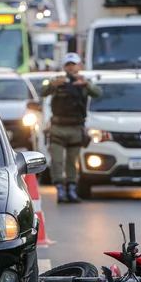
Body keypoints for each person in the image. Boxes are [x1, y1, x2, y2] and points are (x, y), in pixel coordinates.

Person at [40, 52, 102, 203]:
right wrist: (52, 84)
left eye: (73, 64)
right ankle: (60, 189)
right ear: (64, 67)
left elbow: (98, 93)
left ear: (79, 66)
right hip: (58, 128)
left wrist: (86, 84)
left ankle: (72, 189)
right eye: (68, 65)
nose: (71, 67)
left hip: (75, 128)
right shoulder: (57, 82)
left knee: (72, 162)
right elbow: (43, 92)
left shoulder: (83, 83)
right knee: (57, 161)